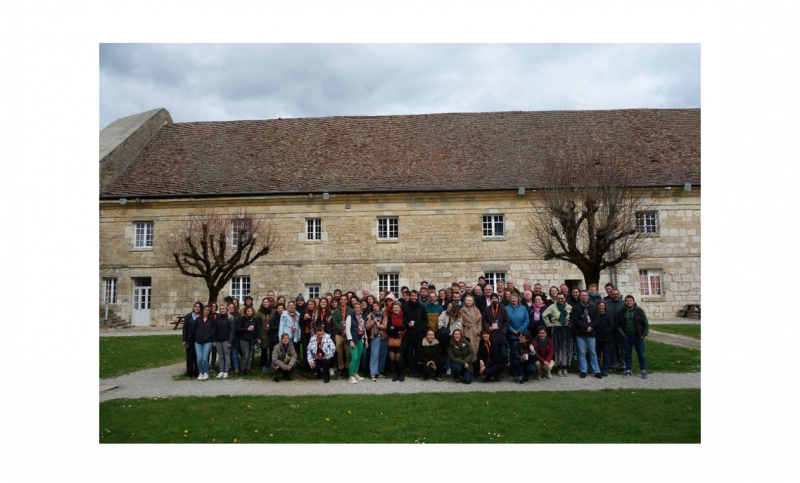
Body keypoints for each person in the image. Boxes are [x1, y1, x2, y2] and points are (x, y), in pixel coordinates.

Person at [571, 290, 602, 379]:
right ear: (580, 297)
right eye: (582, 295)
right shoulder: (576, 307)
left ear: (588, 297)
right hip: (580, 332)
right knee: (581, 352)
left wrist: (590, 327)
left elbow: (596, 319)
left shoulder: (593, 307)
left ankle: (596, 371)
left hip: (591, 333)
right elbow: (575, 319)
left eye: (586, 295)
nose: (584, 297)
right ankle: (583, 370)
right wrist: (584, 327)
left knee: (592, 352)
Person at [618, 295, 649, 379]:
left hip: (638, 337)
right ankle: (628, 370)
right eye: (627, 300)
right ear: (625, 302)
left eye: (630, 300)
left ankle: (643, 370)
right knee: (627, 354)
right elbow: (619, 325)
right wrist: (623, 334)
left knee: (641, 354)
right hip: (626, 337)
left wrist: (644, 334)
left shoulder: (640, 311)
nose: (629, 302)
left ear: (633, 301)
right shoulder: (622, 312)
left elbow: (645, 324)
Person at [542, 293, 573, 377]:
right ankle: (559, 367)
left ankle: (565, 367)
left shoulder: (569, 307)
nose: (560, 300)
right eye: (558, 298)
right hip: (556, 329)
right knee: (558, 348)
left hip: (566, 329)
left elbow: (573, 317)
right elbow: (544, 315)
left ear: (565, 298)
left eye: (562, 298)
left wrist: (571, 323)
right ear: (556, 298)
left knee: (566, 348)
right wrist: (549, 324)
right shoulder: (552, 307)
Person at [404, 290, 428, 377]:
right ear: (410, 296)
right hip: (409, 334)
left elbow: (425, 320)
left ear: (417, 297)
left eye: (415, 295)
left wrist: (421, 328)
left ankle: (417, 370)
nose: (413, 297)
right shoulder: (405, 307)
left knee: (418, 354)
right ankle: (411, 370)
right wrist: (407, 324)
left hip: (419, 334)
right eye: (412, 295)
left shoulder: (421, 307)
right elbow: (404, 319)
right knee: (410, 354)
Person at [482, 293, 510, 364]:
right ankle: (494, 368)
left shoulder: (503, 309)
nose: (494, 300)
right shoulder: (487, 309)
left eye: (495, 298)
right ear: (490, 299)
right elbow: (484, 320)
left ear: (498, 299)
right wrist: (488, 326)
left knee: (502, 353)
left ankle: (502, 369)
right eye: (492, 298)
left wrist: (503, 330)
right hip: (491, 334)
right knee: (493, 353)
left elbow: (506, 321)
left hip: (501, 334)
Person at [437, 301, 463, 374]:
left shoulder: (458, 316)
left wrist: (450, 333)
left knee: (450, 352)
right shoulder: (444, 313)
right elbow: (440, 322)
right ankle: (446, 367)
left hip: (452, 336)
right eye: (448, 306)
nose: (448, 308)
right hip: (443, 335)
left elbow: (457, 327)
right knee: (444, 352)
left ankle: (451, 367)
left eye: (450, 307)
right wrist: (444, 331)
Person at [345, 302, 368, 384]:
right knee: (354, 358)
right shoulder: (350, 317)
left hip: (360, 339)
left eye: (359, 307)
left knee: (358, 358)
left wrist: (366, 339)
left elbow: (364, 329)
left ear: (361, 309)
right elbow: (347, 330)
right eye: (356, 308)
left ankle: (355, 373)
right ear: (354, 309)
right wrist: (350, 340)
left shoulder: (362, 317)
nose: (358, 309)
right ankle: (350, 376)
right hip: (353, 340)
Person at [331, 295, 353, 376]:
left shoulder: (351, 311)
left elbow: (352, 322)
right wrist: (342, 330)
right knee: (339, 352)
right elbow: (335, 323)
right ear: (340, 301)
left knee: (348, 353)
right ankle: (341, 368)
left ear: (347, 301)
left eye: (345, 299)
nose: (343, 301)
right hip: (339, 334)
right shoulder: (336, 311)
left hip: (348, 334)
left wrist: (346, 331)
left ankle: (347, 367)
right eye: (342, 299)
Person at [386, 301, 408, 382]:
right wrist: (397, 331)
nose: (396, 309)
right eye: (394, 307)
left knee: (397, 358)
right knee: (392, 358)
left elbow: (404, 327)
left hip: (402, 340)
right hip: (392, 340)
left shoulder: (404, 317)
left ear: (400, 308)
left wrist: (394, 328)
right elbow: (388, 330)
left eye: (397, 307)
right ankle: (396, 373)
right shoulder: (389, 317)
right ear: (392, 308)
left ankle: (401, 373)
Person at [193, 305, 216, 380]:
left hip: (207, 341)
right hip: (198, 342)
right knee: (199, 359)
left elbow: (214, 330)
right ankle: (200, 373)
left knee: (205, 358)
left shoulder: (211, 320)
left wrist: (209, 336)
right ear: (203, 310)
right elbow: (193, 329)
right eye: (205, 310)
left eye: (208, 310)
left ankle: (206, 372)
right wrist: (198, 334)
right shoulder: (198, 319)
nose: (206, 311)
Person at [605, 289, 626, 371]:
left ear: (620, 295)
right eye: (614, 294)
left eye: (617, 294)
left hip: (622, 330)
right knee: (612, 349)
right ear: (610, 295)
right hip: (611, 330)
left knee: (623, 349)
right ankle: (612, 364)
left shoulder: (624, 304)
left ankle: (623, 365)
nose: (616, 295)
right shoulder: (607, 303)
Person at [235, 306, 260, 375]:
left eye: (251, 311)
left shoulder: (254, 319)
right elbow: (238, 329)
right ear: (246, 312)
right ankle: (242, 370)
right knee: (245, 355)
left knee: (250, 356)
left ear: (253, 312)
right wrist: (247, 329)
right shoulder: (242, 319)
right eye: (248, 311)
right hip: (244, 340)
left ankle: (248, 369)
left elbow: (257, 329)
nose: (249, 312)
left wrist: (258, 338)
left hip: (252, 340)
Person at [367, 301, 387, 380]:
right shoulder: (370, 315)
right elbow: (367, 327)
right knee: (374, 355)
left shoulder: (384, 315)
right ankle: (373, 373)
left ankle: (378, 371)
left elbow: (386, 327)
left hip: (383, 337)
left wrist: (379, 326)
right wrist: (373, 322)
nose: (375, 307)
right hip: (375, 337)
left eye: (376, 306)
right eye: (374, 306)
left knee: (382, 355)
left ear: (379, 306)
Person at [280, 300, 302, 369]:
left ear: (295, 306)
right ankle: (285, 366)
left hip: (294, 334)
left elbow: (298, 326)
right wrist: (280, 337)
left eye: (292, 305)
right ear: (288, 306)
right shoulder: (284, 314)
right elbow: (281, 326)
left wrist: (299, 336)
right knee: (286, 351)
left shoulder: (297, 314)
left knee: (294, 351)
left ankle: (294, 365)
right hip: (287, 334)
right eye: (290, 305)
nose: (291, 307)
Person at [181, 302, 201, 379]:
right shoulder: (188, 316)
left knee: (197, 356)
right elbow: (185, 328)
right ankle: (189, 372)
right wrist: (184, 339)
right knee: (190, 356)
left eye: (199, 307)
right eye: (196, 307)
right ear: (193, 308)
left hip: (198, 338)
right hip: (190, 339)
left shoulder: (201, 317)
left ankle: (196, 372)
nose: (197, 308)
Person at [214, 304, 234, 378]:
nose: (222, 310)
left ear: (226, 309)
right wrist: (214, 340)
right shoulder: (217, 318)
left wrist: (230, 341)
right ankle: (221, 370)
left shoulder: (230, 318)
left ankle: (226, 371)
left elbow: (232, 330)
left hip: (226, 340)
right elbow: (214, 329)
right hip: (218, 340)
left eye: (223, 308)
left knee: (227, 356)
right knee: (220, 356)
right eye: (220, 309)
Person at [595, 301, 615, 377]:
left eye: (602, 306)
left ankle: (605, 369)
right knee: (597, 354)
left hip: (606, 338)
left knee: (606, 354)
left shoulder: (608, 315)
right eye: (600, 306)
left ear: (605, 307)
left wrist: (606, 331)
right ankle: (597, 368)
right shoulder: (595, 315)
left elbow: (611, 326)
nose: (601, 307)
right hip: (597, 338)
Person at [257, 297, 273, 373]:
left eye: (267, 302)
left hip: (271, 334)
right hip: (263, 334)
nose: (266, 303)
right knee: (263, 351)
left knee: (272, 350)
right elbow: (258, 323)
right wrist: (259, 335)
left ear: (269, 303)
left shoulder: (273, 311)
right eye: (264, 302)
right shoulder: (260, 312)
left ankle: (272, 364)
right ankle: (264, 365)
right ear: (262, 303)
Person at [227, 302, 242, 373]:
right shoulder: (225, 315)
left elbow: (239, 326)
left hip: (235, 336)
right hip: (226, 336)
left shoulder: (237, 316)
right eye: (229, 307)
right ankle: (229, 366)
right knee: (227, 352)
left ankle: (236, 367)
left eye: (232, 307)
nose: (231, 308)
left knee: (234, 352)